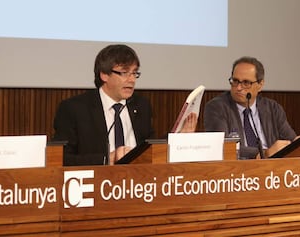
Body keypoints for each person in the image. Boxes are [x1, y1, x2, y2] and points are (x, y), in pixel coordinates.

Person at [53, 44, 197, 166]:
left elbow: (150, 149)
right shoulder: (74, 109)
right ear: (104, 75)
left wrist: (178, 137)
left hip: (138, 185)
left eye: (134, 73)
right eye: (124, 73)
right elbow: (60, 158)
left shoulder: (141, 105)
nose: (132, 80)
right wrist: (106, 159)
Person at [204, 56, 297, 159]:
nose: (239, 88)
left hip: (273, 169)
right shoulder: (217, 107)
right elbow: (222, 146)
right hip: (238, 170)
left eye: (246, 83)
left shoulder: (273, 108)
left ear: (260, 85)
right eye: (235, 81)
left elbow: (291, 141)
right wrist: (264, 154)